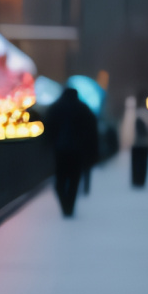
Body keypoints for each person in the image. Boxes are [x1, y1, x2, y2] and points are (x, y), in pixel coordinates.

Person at [46, 86, 98, 216]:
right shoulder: (83, 108)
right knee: (74, 180)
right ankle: (70, 207)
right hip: (77, 151)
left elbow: (48, 128)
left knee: (60, 181)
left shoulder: (55, 108)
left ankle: (65, 206)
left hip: (60, 150)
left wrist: (47, 145)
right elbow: (92, 131)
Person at [129, 95, 148, 189]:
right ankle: (141, 181)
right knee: (143, 164)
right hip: (144, 144)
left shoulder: (135, 113)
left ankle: (136, 181)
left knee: (136, 164)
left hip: (136, 143)